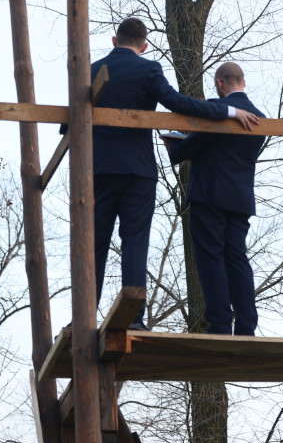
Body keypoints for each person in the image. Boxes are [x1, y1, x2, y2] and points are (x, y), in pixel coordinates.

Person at [89, 19, 259, 330]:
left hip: (98, 169)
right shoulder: (149, 69)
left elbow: (71, 115)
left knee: (95, 243)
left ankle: (84, 317)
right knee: (135, 242)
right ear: (145, 46)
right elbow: (177, 103)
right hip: (138, 171)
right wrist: (227, 111)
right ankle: (134, 319)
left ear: (115, 41)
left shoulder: (90, 70)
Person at [163, 62, 266, 336]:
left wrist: (174, 144)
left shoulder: (217, 112)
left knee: (211, 258)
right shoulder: (260, 118)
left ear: (220, 83)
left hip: (209, 194)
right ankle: (247, 325)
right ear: (242, 83)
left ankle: (220, 322)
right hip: (240, 196)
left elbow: (190, 149)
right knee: (237, 258)